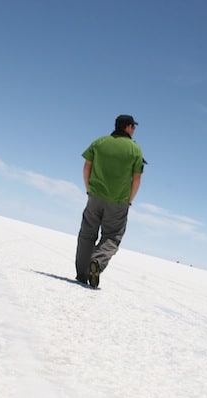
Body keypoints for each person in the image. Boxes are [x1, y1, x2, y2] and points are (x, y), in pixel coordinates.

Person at [75, 114, 146, 288]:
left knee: (87, 234)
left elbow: (86, 167)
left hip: (95, 196)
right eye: (134, 127)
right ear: (128, 127)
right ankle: (97, 262)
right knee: (113, 236)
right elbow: (136, 179)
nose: (134, 130)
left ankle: (82, 273)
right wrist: (129, 200)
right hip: (119, 201)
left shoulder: (100, 142)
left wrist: (89, 189)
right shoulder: (135, 150)